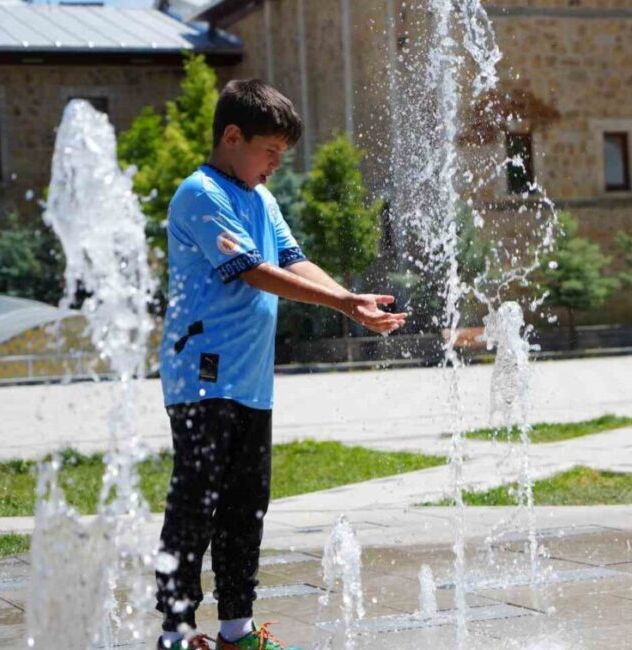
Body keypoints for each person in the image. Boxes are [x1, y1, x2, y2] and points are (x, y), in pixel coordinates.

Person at [154, 79, 406, 650]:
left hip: (250, 379)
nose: (273, 166)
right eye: (269, 153)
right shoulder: (199, 194)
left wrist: (352, 300)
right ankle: (176, 630)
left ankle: (237, 631)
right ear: (233, 137)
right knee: (197, 500)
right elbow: (253, 270)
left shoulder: (261, 199)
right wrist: (341, 303)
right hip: (202, 374)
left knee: (246, 504)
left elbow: (292, 259)